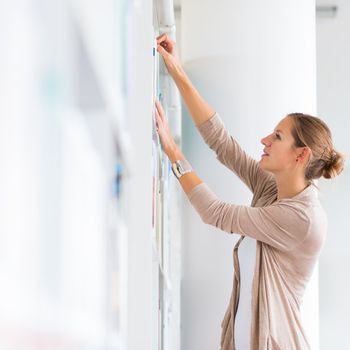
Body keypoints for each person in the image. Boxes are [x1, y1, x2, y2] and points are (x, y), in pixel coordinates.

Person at [154, 33, 345, 350]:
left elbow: (215, 213)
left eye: (278, 137)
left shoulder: (302, 217)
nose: (265, 140)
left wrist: (172, 151)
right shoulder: (275, 189)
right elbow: (223, 144)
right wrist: (176, 70)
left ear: (301, 155)